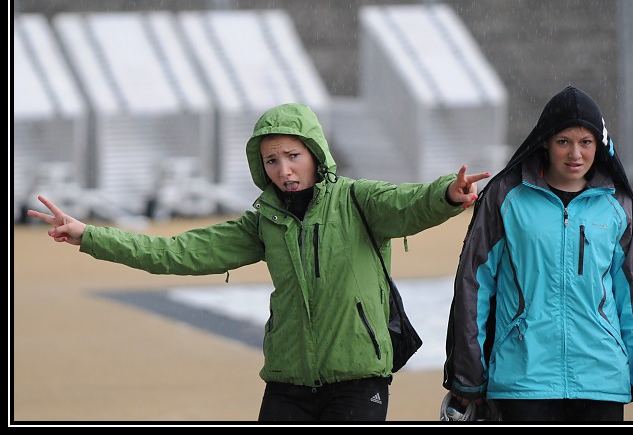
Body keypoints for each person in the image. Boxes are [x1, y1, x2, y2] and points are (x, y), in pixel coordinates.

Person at [28, 102, 490, 422]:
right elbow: (176, 252)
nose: (284, 170)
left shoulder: (357, 199)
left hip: (357, 380)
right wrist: (90, 236)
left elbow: (409, 203)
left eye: (293, 156)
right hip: (288, 381)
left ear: (315, 154)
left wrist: (448, 194)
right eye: (271, 160)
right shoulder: (263, 222)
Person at [441, 86, 633, 423]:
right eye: (563, 141)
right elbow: (474, 286)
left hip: (601, 384)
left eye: (586, 142)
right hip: (522, 382)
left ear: (599, 144)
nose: (575, 153)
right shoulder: (505, 198)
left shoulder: (620, 206)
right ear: (545, 142)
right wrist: (467, 378)